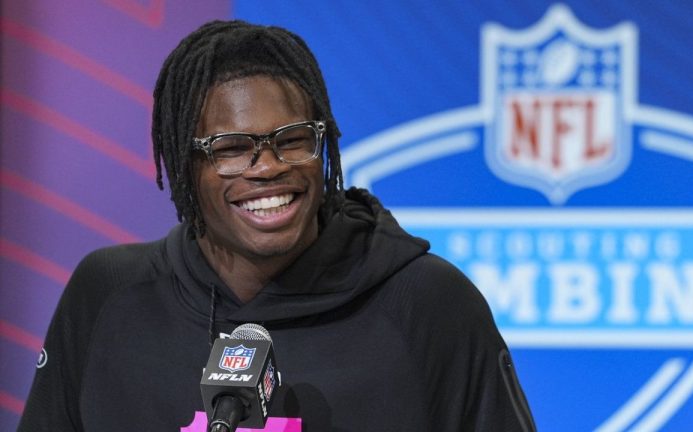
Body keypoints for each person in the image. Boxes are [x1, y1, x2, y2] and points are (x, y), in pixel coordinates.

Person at [18, 20, 536, 432]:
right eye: (231, 149)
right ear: (184, 167)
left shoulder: (428, 304)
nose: (267, 167)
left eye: (291, 140)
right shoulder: (109, 295)